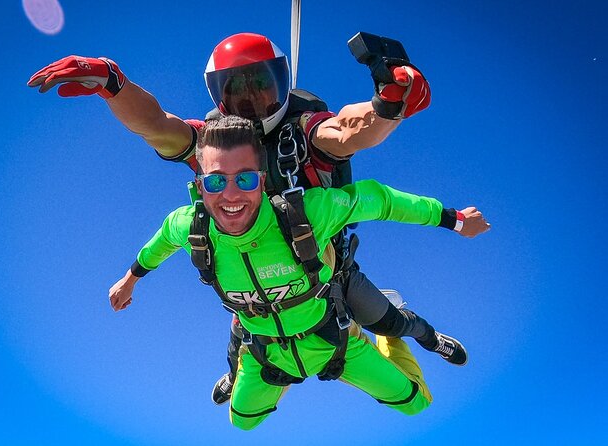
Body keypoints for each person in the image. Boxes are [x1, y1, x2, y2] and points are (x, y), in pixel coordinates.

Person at [27, 32, 436, 404]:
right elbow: (156, 125)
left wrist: (386, 104)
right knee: (243, 330)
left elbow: (348, 131)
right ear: (220, 99)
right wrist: (115, 86)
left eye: (262, 86)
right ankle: (236, 371)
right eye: (238, 92)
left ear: (281, 83)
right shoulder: (216, 145)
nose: (253, 102)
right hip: (252, 276)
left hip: (326, 270)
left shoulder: (304, 130)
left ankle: (429, 337)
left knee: (391, 322)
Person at [108, 116, 490, 430]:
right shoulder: (190, 225)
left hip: (331, 339)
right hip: (266, 353)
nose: (230, 195)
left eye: (244, 179)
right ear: (198, 186)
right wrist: (131, 278)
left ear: (261, 178)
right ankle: (241, 369)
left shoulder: (305, 213)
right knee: (242, 423)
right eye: (214, 181)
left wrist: (453, 220)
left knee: (414, 402)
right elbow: (159, 244)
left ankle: (401, 338)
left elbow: (381, 200)